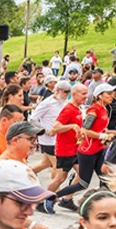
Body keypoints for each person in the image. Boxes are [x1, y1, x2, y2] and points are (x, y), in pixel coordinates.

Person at [44, 83, 116, 213]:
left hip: (98, 149)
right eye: (108, 94)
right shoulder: (94, 110)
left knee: (105, 178)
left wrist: (111, 133)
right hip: (87, 151)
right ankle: (51, 198)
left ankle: (103, 207)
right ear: (100, 96)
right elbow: (85, 130)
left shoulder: (104, 109)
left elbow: (101, 129)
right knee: (82, 183)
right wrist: (103, 135)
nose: (112, 96)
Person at [39, 84, 87, 209]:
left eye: (86, 94)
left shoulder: (77, 109)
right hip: (65, 149)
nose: (86, 97)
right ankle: (42, 201)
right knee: (60, 178)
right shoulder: (68, 109)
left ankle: (67, 199)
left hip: (75, 148)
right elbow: (55, 127)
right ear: (75, 94)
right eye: (83, 94)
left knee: (83, 175)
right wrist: (71, 126)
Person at [30, 80, 72, 179]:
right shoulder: (47, 103)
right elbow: (33, 119)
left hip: (59, 138)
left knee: (45, 163)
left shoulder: (65, 102)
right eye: (65, 91)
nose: (67, 94)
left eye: (69, 92)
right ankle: (55, 190)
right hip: (48, 140)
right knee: (57, 166)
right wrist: (45, 131)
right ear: (57, 90)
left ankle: (26, 174)